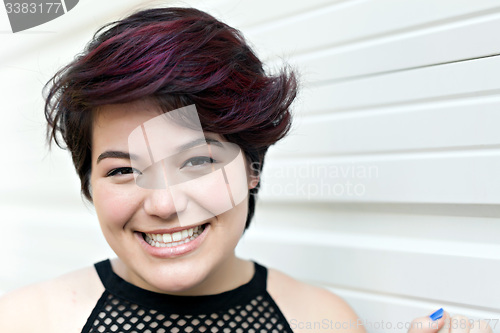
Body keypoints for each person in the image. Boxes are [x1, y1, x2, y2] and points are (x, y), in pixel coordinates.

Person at [0, 6, 492, 333]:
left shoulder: (322, 322)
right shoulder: (26, 321)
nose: (165, 203)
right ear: (88, 183)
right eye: (123, 171)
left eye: (197, 161)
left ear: (252, 166)